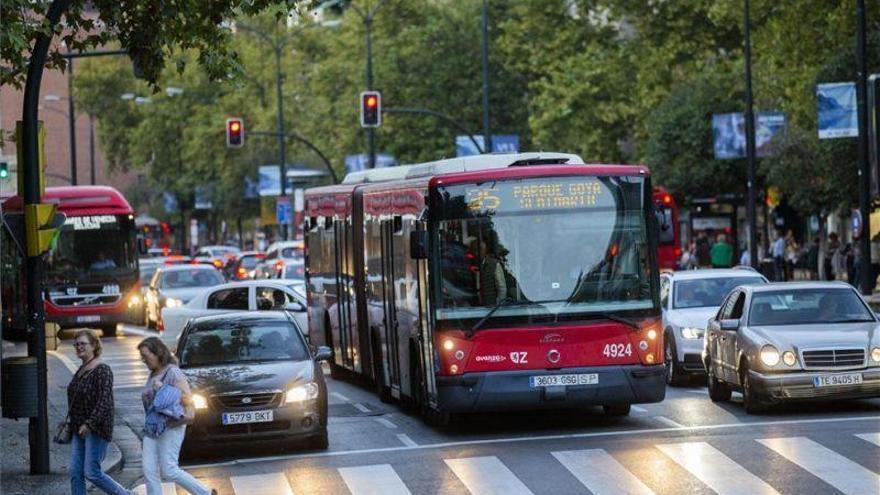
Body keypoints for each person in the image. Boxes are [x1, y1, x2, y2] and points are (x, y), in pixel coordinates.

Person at [138, 337, 216, 495]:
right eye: (142, 357)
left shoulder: (173, 372)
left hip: (171, 425)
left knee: (169, 470)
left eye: (146, 356)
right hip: (152, 427)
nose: (143, 360)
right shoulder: (153, 373)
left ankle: (206, 493)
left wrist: (163, 388)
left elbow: (187, 398)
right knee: (149, 470)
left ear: (158, 353)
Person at [67, 329, 130, 495]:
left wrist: (90, 423)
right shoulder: (81, 370)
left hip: (96, 429)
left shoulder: (102, 370)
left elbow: (105, 402)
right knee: (75, 472)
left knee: (91, 472)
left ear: (94, 345)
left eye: (83, 344)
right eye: (76, 344)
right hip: (77, 429)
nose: (79, 347)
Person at [475, 238, 507, 305]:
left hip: (492, 307)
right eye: (475, 250)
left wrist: (499, 305)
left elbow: (502, 288)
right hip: (478, 307)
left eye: (479, 250)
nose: (477, 253)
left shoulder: (494, 264)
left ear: (484, 251)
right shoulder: (475, 264)